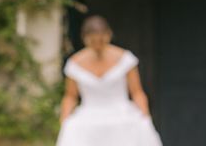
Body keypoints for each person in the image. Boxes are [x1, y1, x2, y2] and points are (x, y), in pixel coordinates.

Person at [56, 15, 162, 146]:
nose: (98, 45)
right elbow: (70, 96)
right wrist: (65, 122)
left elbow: (137, 92)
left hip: (122, 115)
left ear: (108, 35)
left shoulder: (125, 58)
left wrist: (146, 118)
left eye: (101, 40)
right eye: (93, 41)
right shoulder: (74, 63)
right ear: (84, 38)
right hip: (88, 117)